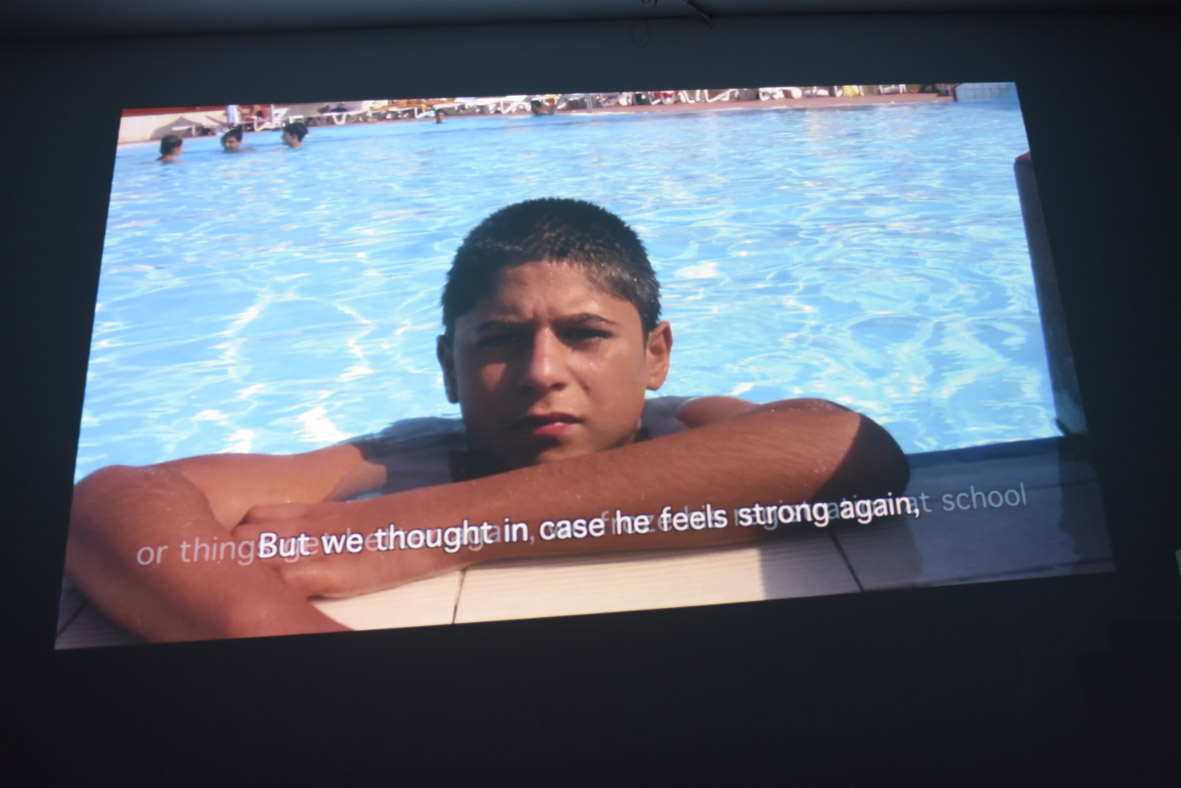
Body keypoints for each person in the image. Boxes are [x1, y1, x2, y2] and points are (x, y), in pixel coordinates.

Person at [65, 198, 908, 642]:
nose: (541, 372)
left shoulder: (689, 423)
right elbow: (119, 497)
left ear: (655, 354)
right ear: (448, 367)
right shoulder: (391, 460)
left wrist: (412, 530)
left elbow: (848, 447)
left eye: (585, 334)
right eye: (499, 341)